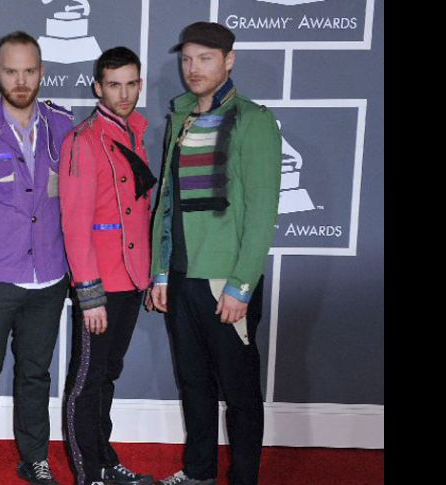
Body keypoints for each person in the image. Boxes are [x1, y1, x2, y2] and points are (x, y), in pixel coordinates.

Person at [148, 22, 282, 485]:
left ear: (229, 60)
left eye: (205, 58)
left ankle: (244, 478)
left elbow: (262, 213)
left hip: (226, 281)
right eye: (187, 59)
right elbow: (168, 203)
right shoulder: (181, 118)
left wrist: (242, 285)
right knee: (193, 383)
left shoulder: (254, 120)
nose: (193, 68)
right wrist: (161, 271)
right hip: (181, 277)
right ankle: (199, 472)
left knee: (240, 393)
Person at [0, 31, 74, 485]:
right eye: (11, 71)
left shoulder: (64, 126)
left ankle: (35, 457)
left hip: (49, 277)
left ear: (41, 72)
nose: (20, 80)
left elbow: (74, 204)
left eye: (29, 71)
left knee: (35, 375)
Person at [59, 46, 156, 485]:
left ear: (140, 85)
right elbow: (75, 225)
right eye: (114, 85)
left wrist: (147, 276)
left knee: (107, 376)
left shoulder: (136, 132)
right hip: (100, 282)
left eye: (131, 84)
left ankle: (105, 460)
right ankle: (88, 473)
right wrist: (89, 293)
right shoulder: (82, 141)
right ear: (98, 87)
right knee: (86, 380)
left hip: (131, 277)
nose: (124, 94)